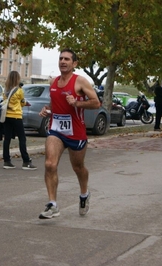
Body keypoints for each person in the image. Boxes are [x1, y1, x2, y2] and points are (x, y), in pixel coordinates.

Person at [38, 49, 101, 219]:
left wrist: (77, 104)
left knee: (78, 167)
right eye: (61, 58)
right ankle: (53, 204)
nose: (63, 61)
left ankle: (84, 194)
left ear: (74, 64)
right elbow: (54, 103)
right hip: (56, 130)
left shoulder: (80, 81)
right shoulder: (53, 82)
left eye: (67, 59)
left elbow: (96, 103)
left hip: (76, 132)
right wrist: (47, 109)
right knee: (50, 164)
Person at [2, 71, 37, 170]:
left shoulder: (5, 90)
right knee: (22, 139)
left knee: (7, 139)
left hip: (6, 116)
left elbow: (4, 101)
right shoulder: (19, 90)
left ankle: (7, 161)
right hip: (16, 116)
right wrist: (25, 103)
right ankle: (26, 162)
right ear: (17, 79)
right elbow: (22, 103)